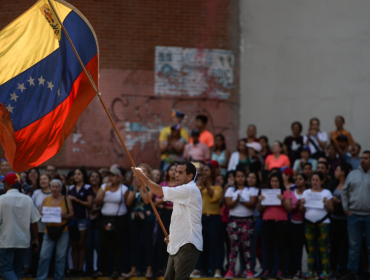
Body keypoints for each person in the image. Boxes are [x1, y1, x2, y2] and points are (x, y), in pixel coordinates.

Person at [132, 162, 202, 280]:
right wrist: (173, 236)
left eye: (180, 172)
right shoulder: (182, 190)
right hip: (177, 243)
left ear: (190, 176)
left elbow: (159, 192)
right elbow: (181, 218)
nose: (176, 175)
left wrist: (142, 177)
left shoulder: (189, 189)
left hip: (188, 243)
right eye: (176, 172)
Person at [0, 173, 40, 280]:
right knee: (16, 271)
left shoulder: (2, 199)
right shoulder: (27, 199)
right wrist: (35, 239)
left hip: (6, 242)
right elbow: (34, 221)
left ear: (7, 184)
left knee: (5, 270)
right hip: (23, 242)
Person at [93, 167, 130, 278]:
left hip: (119, 220)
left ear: (118, 178)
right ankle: (102, 270)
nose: (111, 178)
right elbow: (97, 201)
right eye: (109, 175)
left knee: (117, 246)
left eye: (113, 176)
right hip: (106, 220)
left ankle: (116, 270)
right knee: (104, 245)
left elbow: (128, 204)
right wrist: (105, 190)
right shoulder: (104, 187)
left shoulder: (123, 189)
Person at [340, 151, 370, 279]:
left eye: (366, 158)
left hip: (369, 216)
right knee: (354, 247)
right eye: (362, 158)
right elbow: (344, 193)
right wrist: (347, 210)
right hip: (354, 215)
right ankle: (352, 272)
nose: (362, 160)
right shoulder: (352, 174)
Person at [224, 169, 258, 279]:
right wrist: (237, 200)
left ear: (245, 177)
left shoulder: (252, 190)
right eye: (238, 176)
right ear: (234, 178)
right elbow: (228, 205)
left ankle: (249, 271)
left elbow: (252, 204)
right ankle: (230, 270)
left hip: (248, 220)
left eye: (242, 176)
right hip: (234, 221)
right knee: (234, 248)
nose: (240, 178)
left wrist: (241, 201)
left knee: (247, 247)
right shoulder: (230, 190)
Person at [37, 179, 74, 280]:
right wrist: (41, 213)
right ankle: (41, 277)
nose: (55, 189)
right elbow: (41, 211)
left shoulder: (66, 199)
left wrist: (65, 215)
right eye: (53, 186)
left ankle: (58, 277)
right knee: (44, 256)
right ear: (50, 188)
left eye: (57, 187)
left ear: (61, 188)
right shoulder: (46, 199)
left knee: (60, 257)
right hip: (48, 230)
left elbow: (71, 214)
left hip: (63, 230)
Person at [300, 172, 334, 279]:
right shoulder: (306, 192)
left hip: (323, 223)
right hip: (309, 223)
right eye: (313, 180)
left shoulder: (327, 192)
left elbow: (332, 209)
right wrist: (302, 204)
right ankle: (310, 271)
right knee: (311, 248)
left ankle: (324, 271)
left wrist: (326, 204)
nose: (314, 182)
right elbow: (302, 210)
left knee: (323, 248)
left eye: (316, 180)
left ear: (322, 181)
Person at [258, 173, 292, 279]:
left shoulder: (285, 192)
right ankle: (267, 270)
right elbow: (260, 210)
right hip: (268, 222)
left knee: (281, 248)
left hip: (281, 222)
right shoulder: (266, 193)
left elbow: (289, 209)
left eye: (276, 181)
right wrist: (260, 201)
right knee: (268, 247)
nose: (274, 183)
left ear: (280, 182)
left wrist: (283, 199)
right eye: (272, 181)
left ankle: (281, 271)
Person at [192, 164, 223, 278]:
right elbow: (193, 197)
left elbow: (215, 198)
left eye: (207, 170)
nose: (204, 172)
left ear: (212, 172)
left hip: (213, 218)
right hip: (200, 218)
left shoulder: (217, 185)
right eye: (203, 170)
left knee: (215, 245)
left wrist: (207, 186)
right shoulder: (198, 185)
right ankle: (199, 269)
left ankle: (218, 269)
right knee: (200, 245)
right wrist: (200, 184)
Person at [125, 163, 156, 279]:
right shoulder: (133, 185)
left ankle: (149, 269)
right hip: (134, 218)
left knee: (148, 243)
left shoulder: (151, 185)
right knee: (134, 244)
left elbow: (147, 201)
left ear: (148, 173)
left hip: (147, 218)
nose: (142, 173)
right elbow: (128, 203)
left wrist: (141, 187)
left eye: (144, 171)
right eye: (140, 171)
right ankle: (133, 270)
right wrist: (134, 189)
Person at [68, 168, 94, 276]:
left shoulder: (88, 188)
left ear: (83, 176)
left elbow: (90, 204)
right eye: (75, 174)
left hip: (83, 218)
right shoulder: (71, 187)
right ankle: (74, 269)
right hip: (73, 218)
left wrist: (76, 200)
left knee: (81, 244)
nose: (76, 176)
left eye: (79, 174)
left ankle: (80, 269)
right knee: (74, 244)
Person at [328, 164, 351, 279]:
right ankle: (332, 269)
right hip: (334, 219)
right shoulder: (333, 184)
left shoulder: (350, 185)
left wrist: (339, 202)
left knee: (345, 246)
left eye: (337, 170)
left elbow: (353, 201)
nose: (335, 172)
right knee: (334, 246)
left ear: (343, 172)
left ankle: (343, 270)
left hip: (346, 220)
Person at [155, 164, 177, 276]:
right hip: (164, 214)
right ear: (167, 172)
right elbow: (156, 202)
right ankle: (160, 268)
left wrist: (166, 197)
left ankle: (174, 268)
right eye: (171, 170)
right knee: (162, 240)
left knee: (176, 241)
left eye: (176, 170)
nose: (173, 172)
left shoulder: (180, 186)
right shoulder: (162, 185)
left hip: (177, 215)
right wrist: (169, 197)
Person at [30, 173, 52, 275]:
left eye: (45, 179)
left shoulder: (54, 193)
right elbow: (32, 208)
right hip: (38, 227)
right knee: (38, 252)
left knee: (49, 252)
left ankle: (49, 272)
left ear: (49, 181)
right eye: (41, 179)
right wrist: (38, 212)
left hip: (51, 227)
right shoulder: (36, 193)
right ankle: (36, 272)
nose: (43, 181)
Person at [289, 173, 307, 279]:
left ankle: (312, 270)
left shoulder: (309, 193)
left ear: (305, 181)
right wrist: (296, 206)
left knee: (310, 248)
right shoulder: (292, 193)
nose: (297, 181)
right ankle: (297, 270)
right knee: (296, 249)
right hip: (294, 224)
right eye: (296, 179)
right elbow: (289, 209)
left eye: (300, 179)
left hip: (307, 223)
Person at [86, 171, 102, 275]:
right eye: (92, 176)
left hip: (100, 221)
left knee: (98, 246)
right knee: (88, 246)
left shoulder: (103, 189)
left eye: (97, 177)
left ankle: (99, 269)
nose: (94, 178)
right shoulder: (86, 189)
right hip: (87, 221)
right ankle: (89, 270)